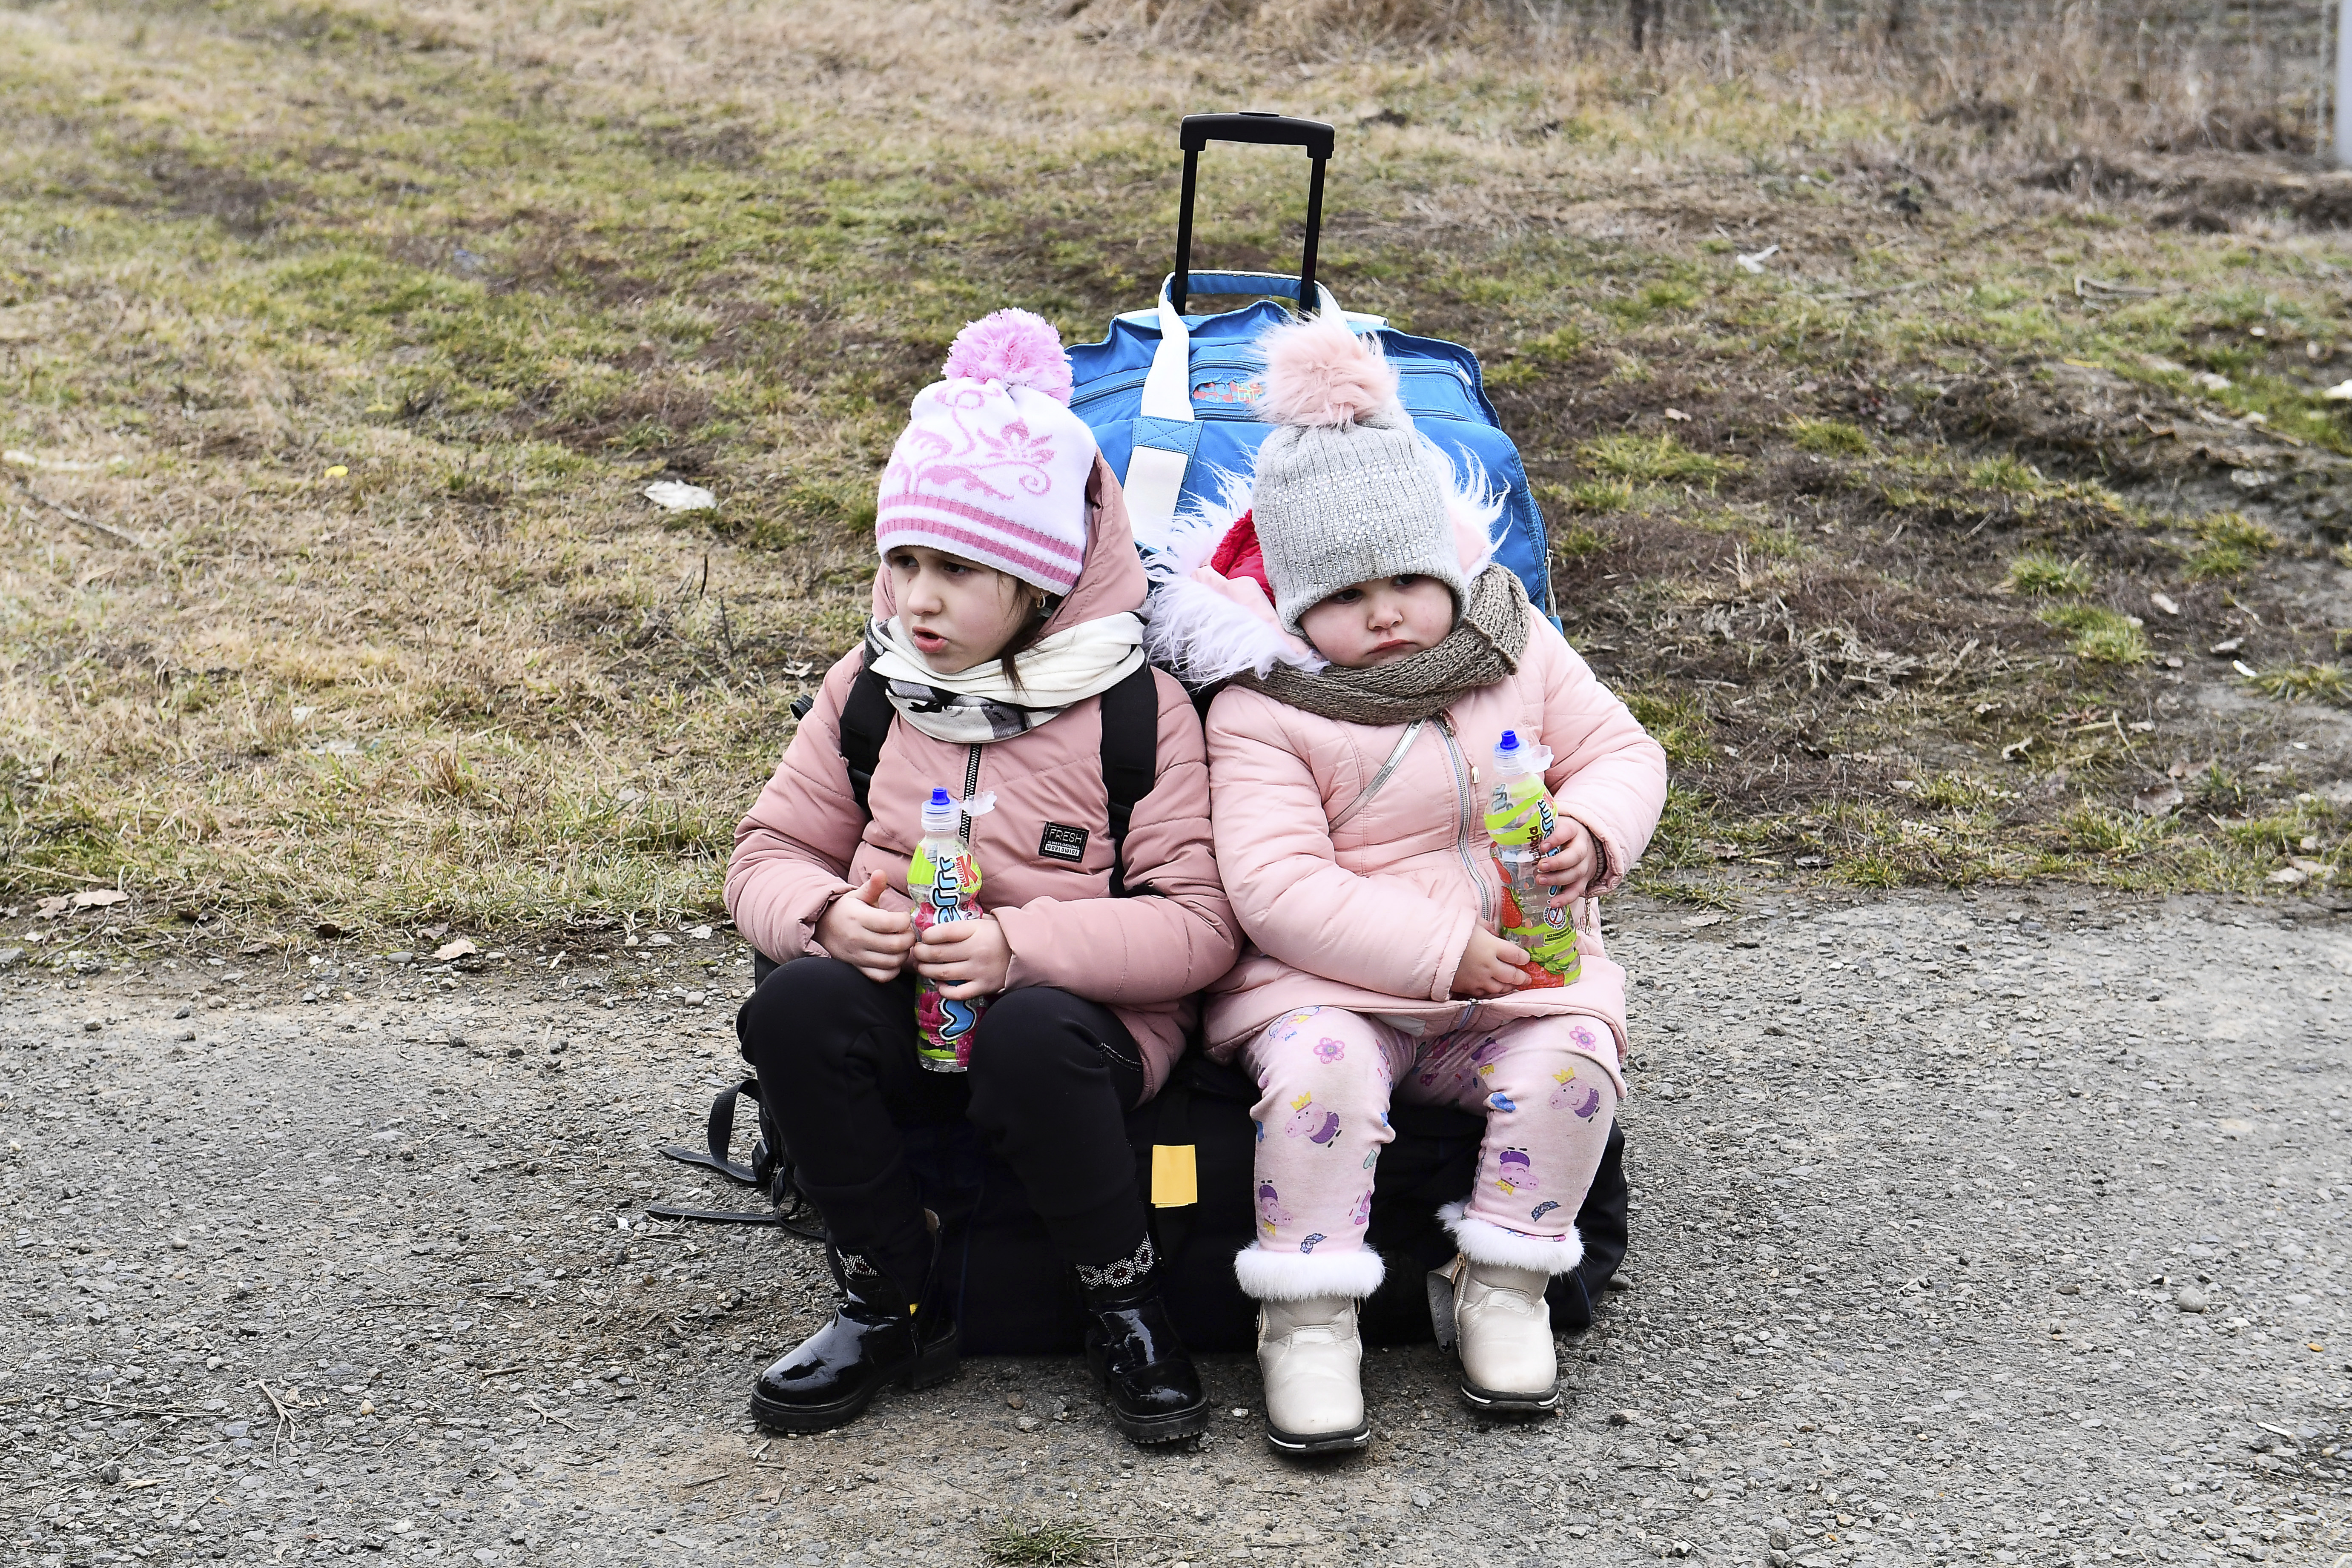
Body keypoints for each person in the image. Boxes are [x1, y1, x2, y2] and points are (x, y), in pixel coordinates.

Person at [1154, 314, 1667, 1453]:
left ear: (1445, 561)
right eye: (1343, 595)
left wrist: (1588, 829)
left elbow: (1625, 752)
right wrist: (1437, 955)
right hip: (1332, 986)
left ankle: (1503, 1277)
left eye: (1404, 578)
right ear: (1290, 605)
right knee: (1318, 1076)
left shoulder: (1515, 645)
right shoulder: (1263, 707)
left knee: (1575, 1055)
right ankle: (1308, 1310)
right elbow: (1276, 884)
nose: (1383, 612)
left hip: (1518, 979)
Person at [727, 310, 1237, 1444]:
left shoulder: (1132, 708)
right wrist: (825, 916)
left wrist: (1022, 949)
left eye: (956, 569)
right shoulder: (870, 685)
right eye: (901, 561)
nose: (916, 599)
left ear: (1045, 575)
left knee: (1030, 1033)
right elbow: (764, 855)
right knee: (796, 1001)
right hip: (908, 1004)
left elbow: (1201, 927)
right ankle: (884, 1290)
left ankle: (1123, 1294)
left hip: (1077, 1036)